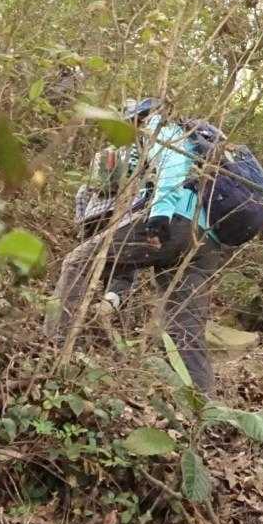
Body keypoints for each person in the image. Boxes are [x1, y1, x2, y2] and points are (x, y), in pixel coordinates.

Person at [47, 97, 222, 393]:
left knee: (77, 262)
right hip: (206, 238)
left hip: (175, 221)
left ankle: (55, 352)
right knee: (185, 326)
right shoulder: (194, 143)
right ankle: (202, 403)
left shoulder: (159, 127)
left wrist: (160, 215)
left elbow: (173, 162)